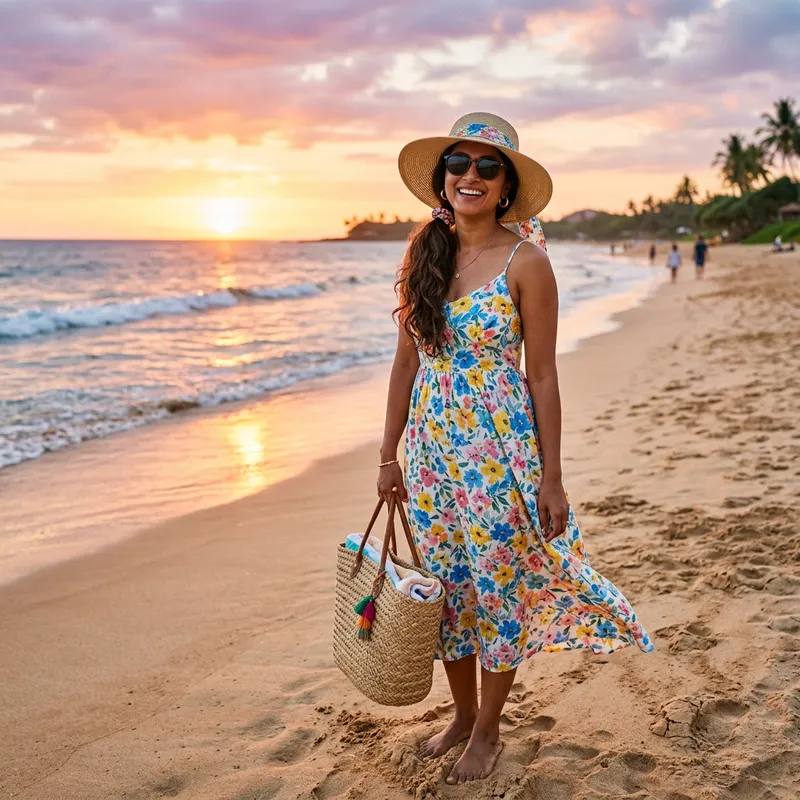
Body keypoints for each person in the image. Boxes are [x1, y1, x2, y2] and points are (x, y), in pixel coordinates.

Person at [378, 112, 654, 785]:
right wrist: (388, 455)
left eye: (486, 167)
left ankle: (489, 730)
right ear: (442, 180)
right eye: (458, 164)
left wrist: (551, 480)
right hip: (431, 453)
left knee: (498, 589)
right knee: (448, 593)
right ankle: (460, 715)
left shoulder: (527, 261)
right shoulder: (424, 253)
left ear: (505, 187)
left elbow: (543, 374)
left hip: (501, 454)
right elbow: (405, 363)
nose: (470, 176)